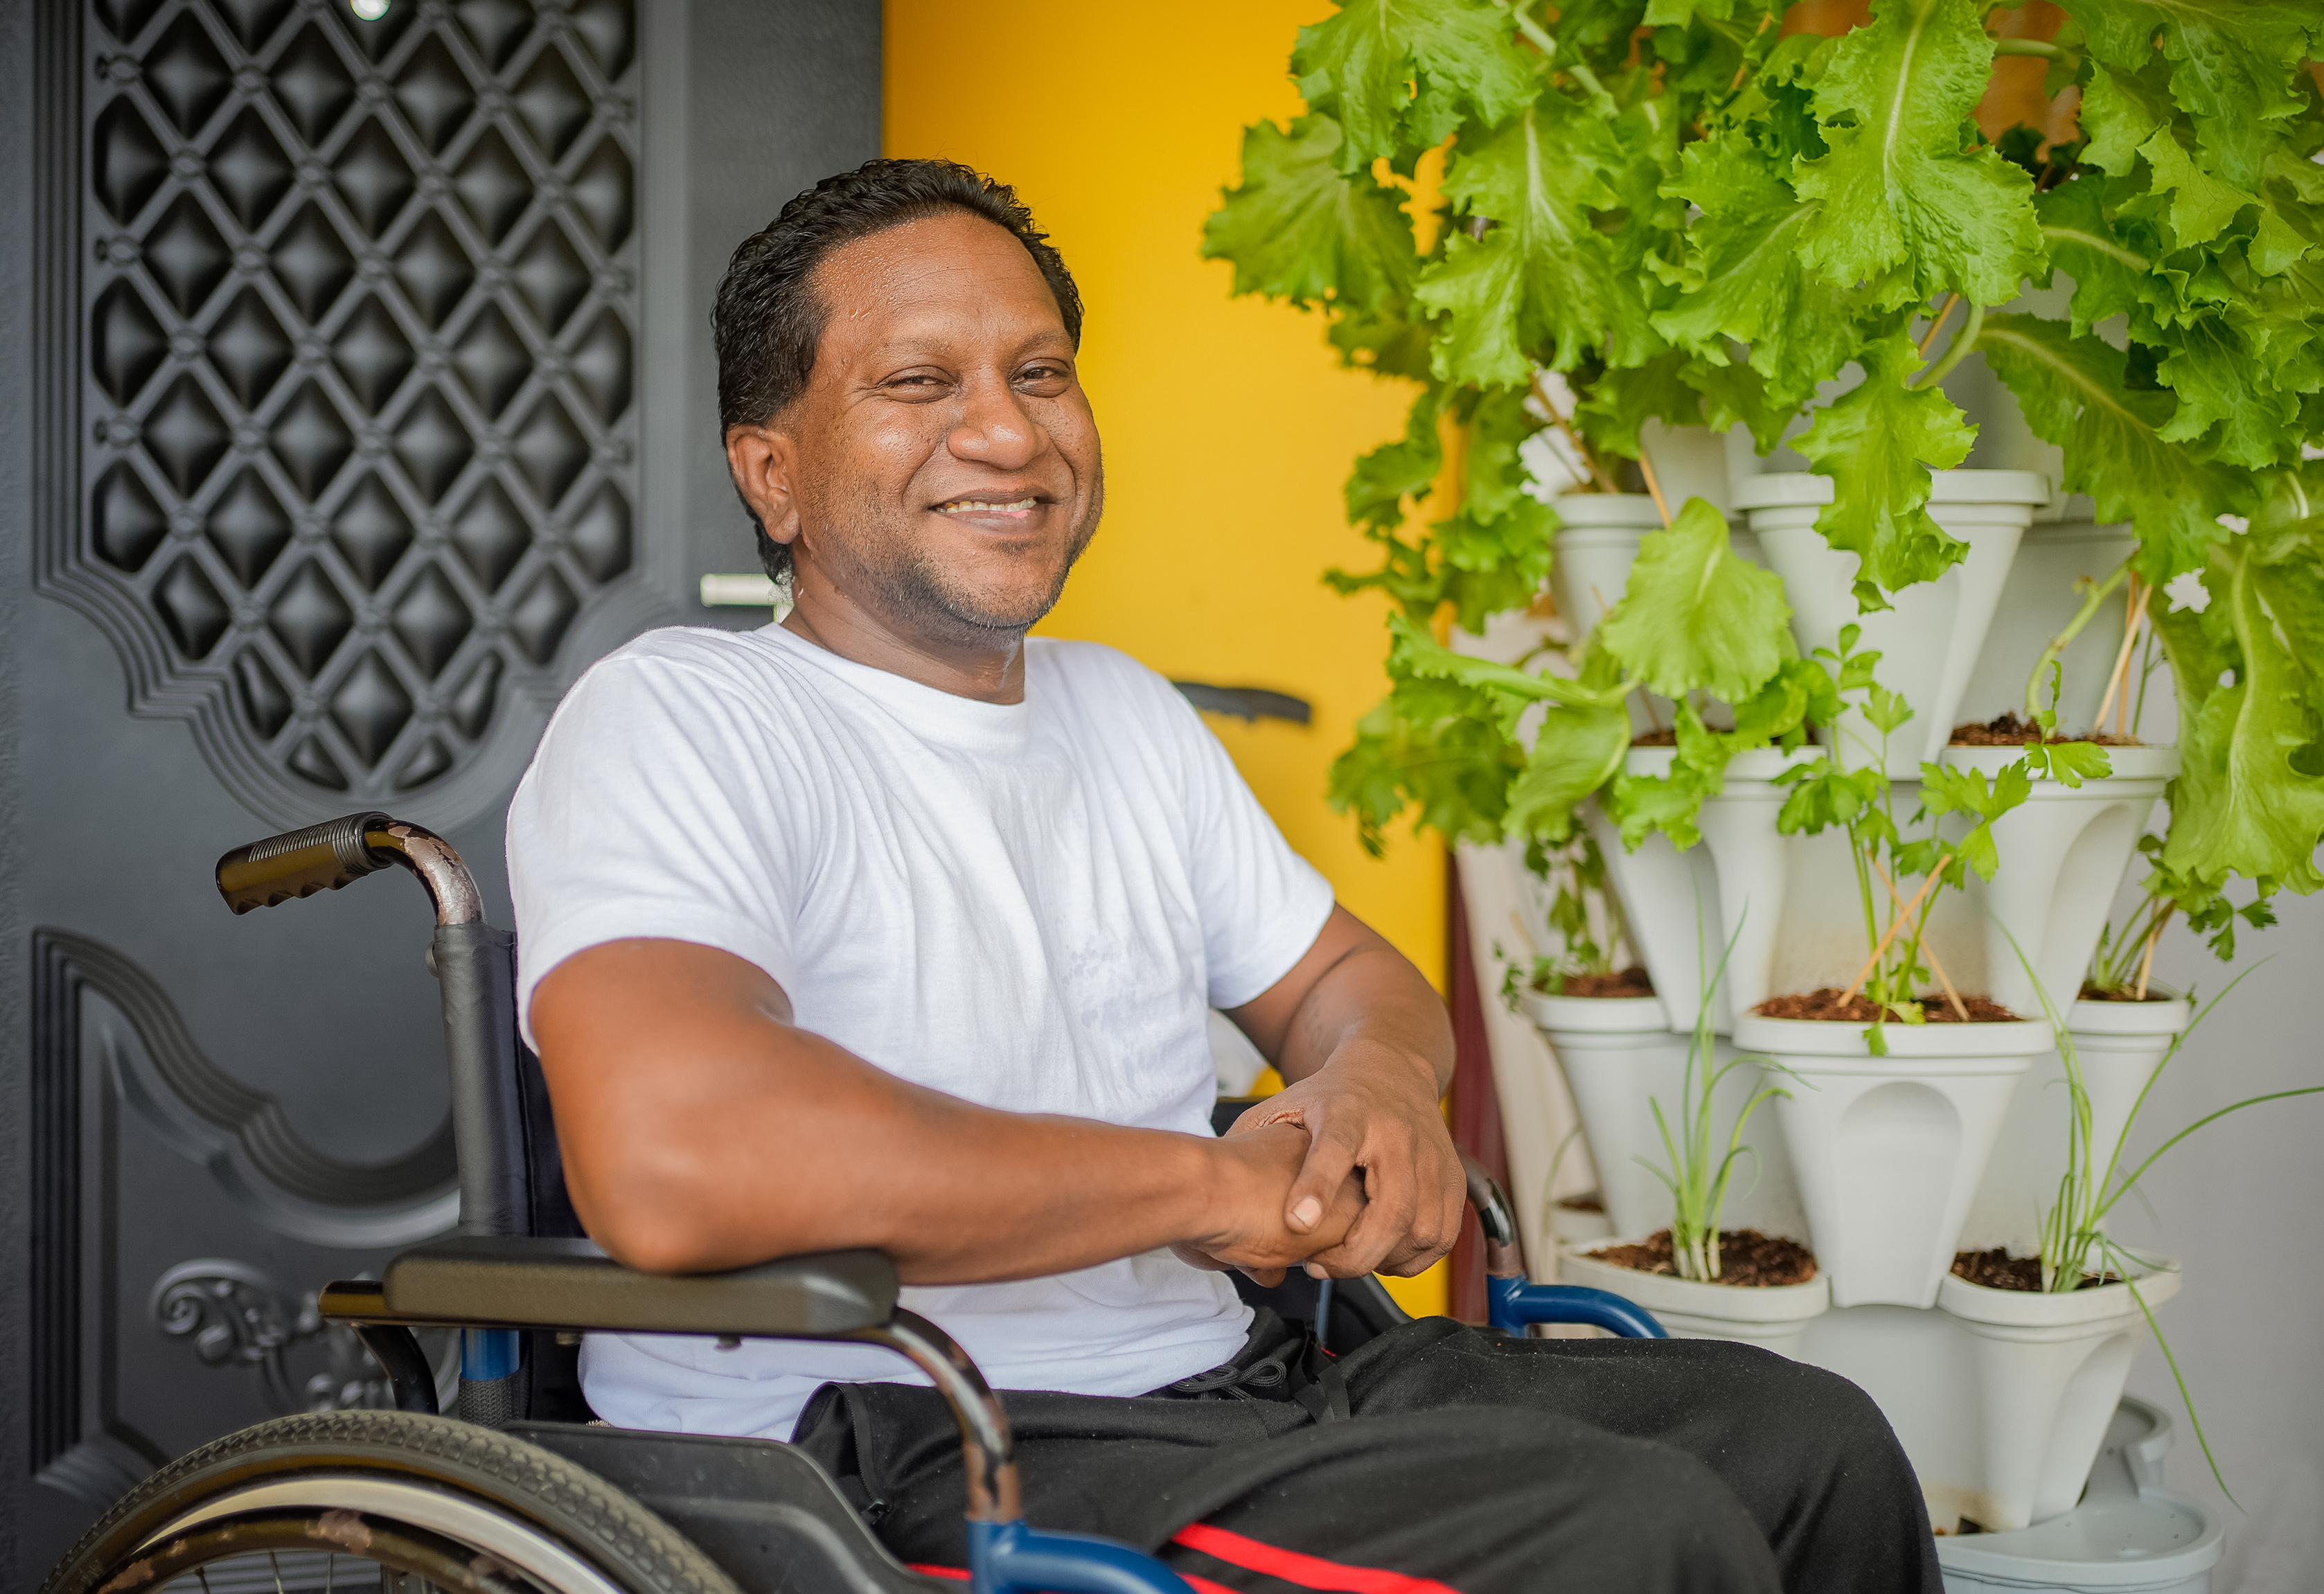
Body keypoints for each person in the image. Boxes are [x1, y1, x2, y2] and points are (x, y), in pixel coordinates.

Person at [508, 158, 1941, 1594]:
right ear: (773, 473)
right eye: (919, 384)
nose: (1006, 430)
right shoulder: (684, 715)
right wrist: (1205, 1186)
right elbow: (675, 1156)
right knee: (1625, 1537)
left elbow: (1340, 979)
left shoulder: (1119, 710)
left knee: (1810, 1441)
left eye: (1041, 371)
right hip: (902, 1438)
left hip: (1229, 1377)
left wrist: (1371, 1082)